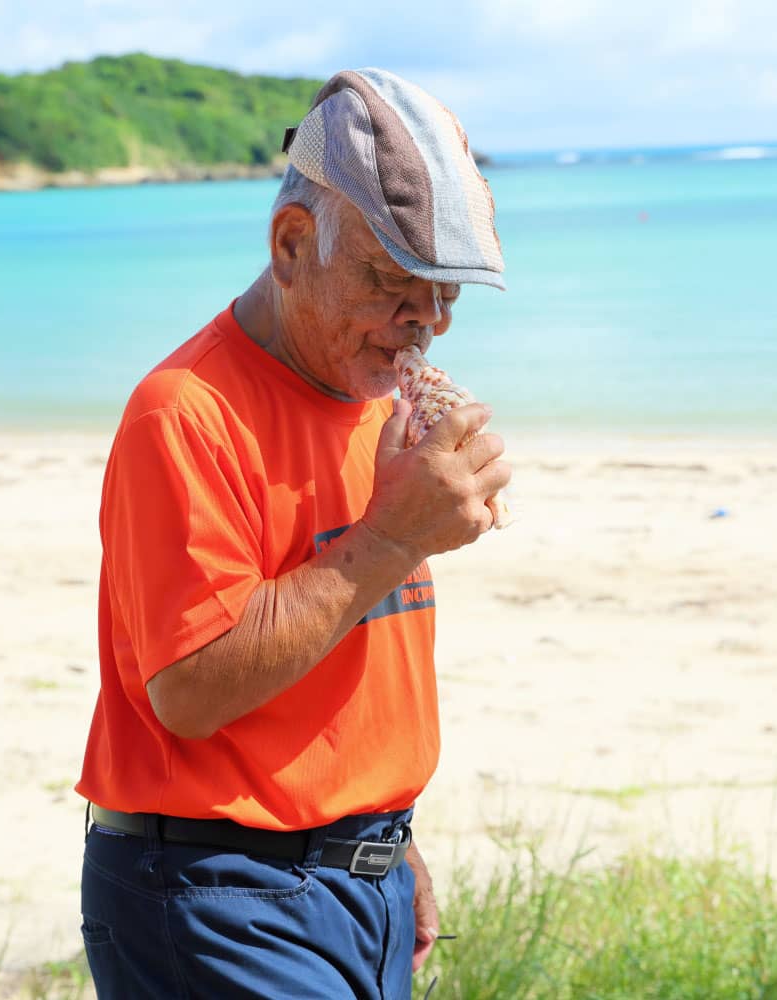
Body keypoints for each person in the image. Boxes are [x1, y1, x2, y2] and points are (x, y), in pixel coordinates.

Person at [73, 68, 511, 999]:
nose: (423, 328)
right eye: (393, 285)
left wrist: (386, 843)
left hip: (351, 879)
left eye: (446, 297)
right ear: (291, 242)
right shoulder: (185, 413)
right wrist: (392, 537)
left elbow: (342, 677)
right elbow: (189, 692)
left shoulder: (373, 400)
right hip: (214, 892)